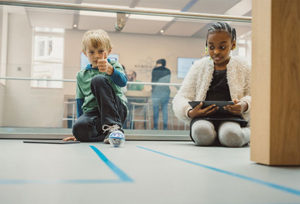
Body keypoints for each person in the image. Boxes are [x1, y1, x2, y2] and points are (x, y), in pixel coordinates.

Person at [172, 22, 251, 147]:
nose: (216, 52)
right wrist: (189, 112)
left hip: (231, 117)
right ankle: (219, 137)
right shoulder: (199, 67)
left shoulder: (244, 66)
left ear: (233, 45)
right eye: (211, 47)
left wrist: (245, 105)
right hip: (203, 117)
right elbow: (181, 97)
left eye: (222, 47)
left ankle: (246, 133)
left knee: (231, 136)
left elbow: (255, 95)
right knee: (201, 133)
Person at [63, 29, 128, 144]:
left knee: (98, 80)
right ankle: (106, 135)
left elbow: (123, 82)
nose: (96, 55)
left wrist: (111, 71)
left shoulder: (113, 65)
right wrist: (78, 131)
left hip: (116, 110)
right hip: (94, 114)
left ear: (108, 51)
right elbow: (80, 101)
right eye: (92, 52)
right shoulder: (81, 75)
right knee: (78, 128)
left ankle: (114, 128)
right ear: (85, 53)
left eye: (100, 51)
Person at [151, 59, 171, 130]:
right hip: (165, 93)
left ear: (158, 63)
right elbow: (168, 82)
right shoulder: (168, 71)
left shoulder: (155, 70)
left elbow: (153, 82)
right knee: (165, 110)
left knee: (155, 110)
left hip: (156, 93)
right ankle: (165, 127)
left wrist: (153, 90)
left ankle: (155, 127)